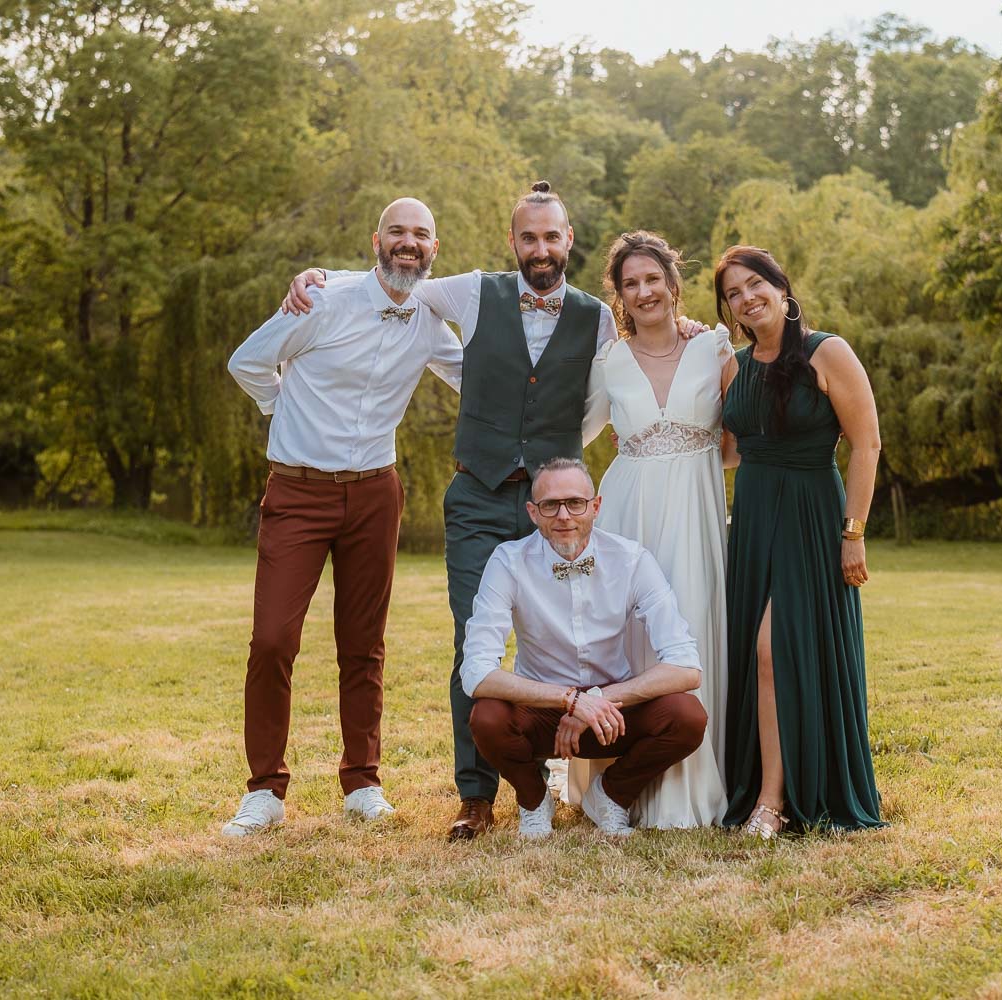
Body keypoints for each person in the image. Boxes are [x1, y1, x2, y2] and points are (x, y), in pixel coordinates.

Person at [282, 183, 702, 840]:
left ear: (569, 242)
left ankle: (560, 781)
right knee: (469, 642)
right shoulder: (473, 292)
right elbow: (395, 277)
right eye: (529, 238)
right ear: (514, 242)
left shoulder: (595, 317)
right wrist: (319, 280)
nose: (541, 248)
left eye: (552, 237)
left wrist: (687, 328)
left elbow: (629, 367)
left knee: (581, 630)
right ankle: (476, 796)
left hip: (558, 502)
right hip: (478, 495)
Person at [220, 198, 462, 836]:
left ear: (435, 249)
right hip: (298, 493)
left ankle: (362, 781)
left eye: (421, 235)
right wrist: (284, 408)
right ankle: (265, 792)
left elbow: (480, 378)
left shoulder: (432, 319)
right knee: (272, 639)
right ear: (376, 239)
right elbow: (247, 361)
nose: (408, 243)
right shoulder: (321, 299)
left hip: (376, 495)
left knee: (364, 645)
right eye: (398, 232)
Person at [714, 244, 886, 837]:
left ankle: (772, 799)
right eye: (733, 293)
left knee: (774, 650)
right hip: (755, 520)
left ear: (781, 288)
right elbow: (731, 452)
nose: (747, 298)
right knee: (754, 654)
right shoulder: (734, 365)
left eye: (755, 284)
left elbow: (867, 445)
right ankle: (768, 788)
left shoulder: (827, 351)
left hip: (813, 517)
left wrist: (854, 533)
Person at [573, 231, 736, 828]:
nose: (645, 292)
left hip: (695, 512)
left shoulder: (714, 347)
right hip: (628, 512)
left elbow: (739, 443)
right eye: (631, 284)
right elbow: (577, 437)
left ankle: (695, 784)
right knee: (632, 638)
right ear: (619, 296)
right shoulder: (608, 362)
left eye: (653, 279)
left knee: (691, 632)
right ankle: (623, 786)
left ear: (673, 283)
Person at [460, 458, 707, 839]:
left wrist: (595, 699)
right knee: (487, 717)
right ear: (532, 512)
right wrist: (569, 701)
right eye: (550, 505)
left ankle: (610, 795)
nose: (564, 515)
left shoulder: (632, 560)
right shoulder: (508, 562)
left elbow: (686, 666)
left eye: (576, 503)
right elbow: (475, 672)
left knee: (687, 717)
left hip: (613, 715)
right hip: (542, 715)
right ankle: (533, 798)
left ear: (596, 506)